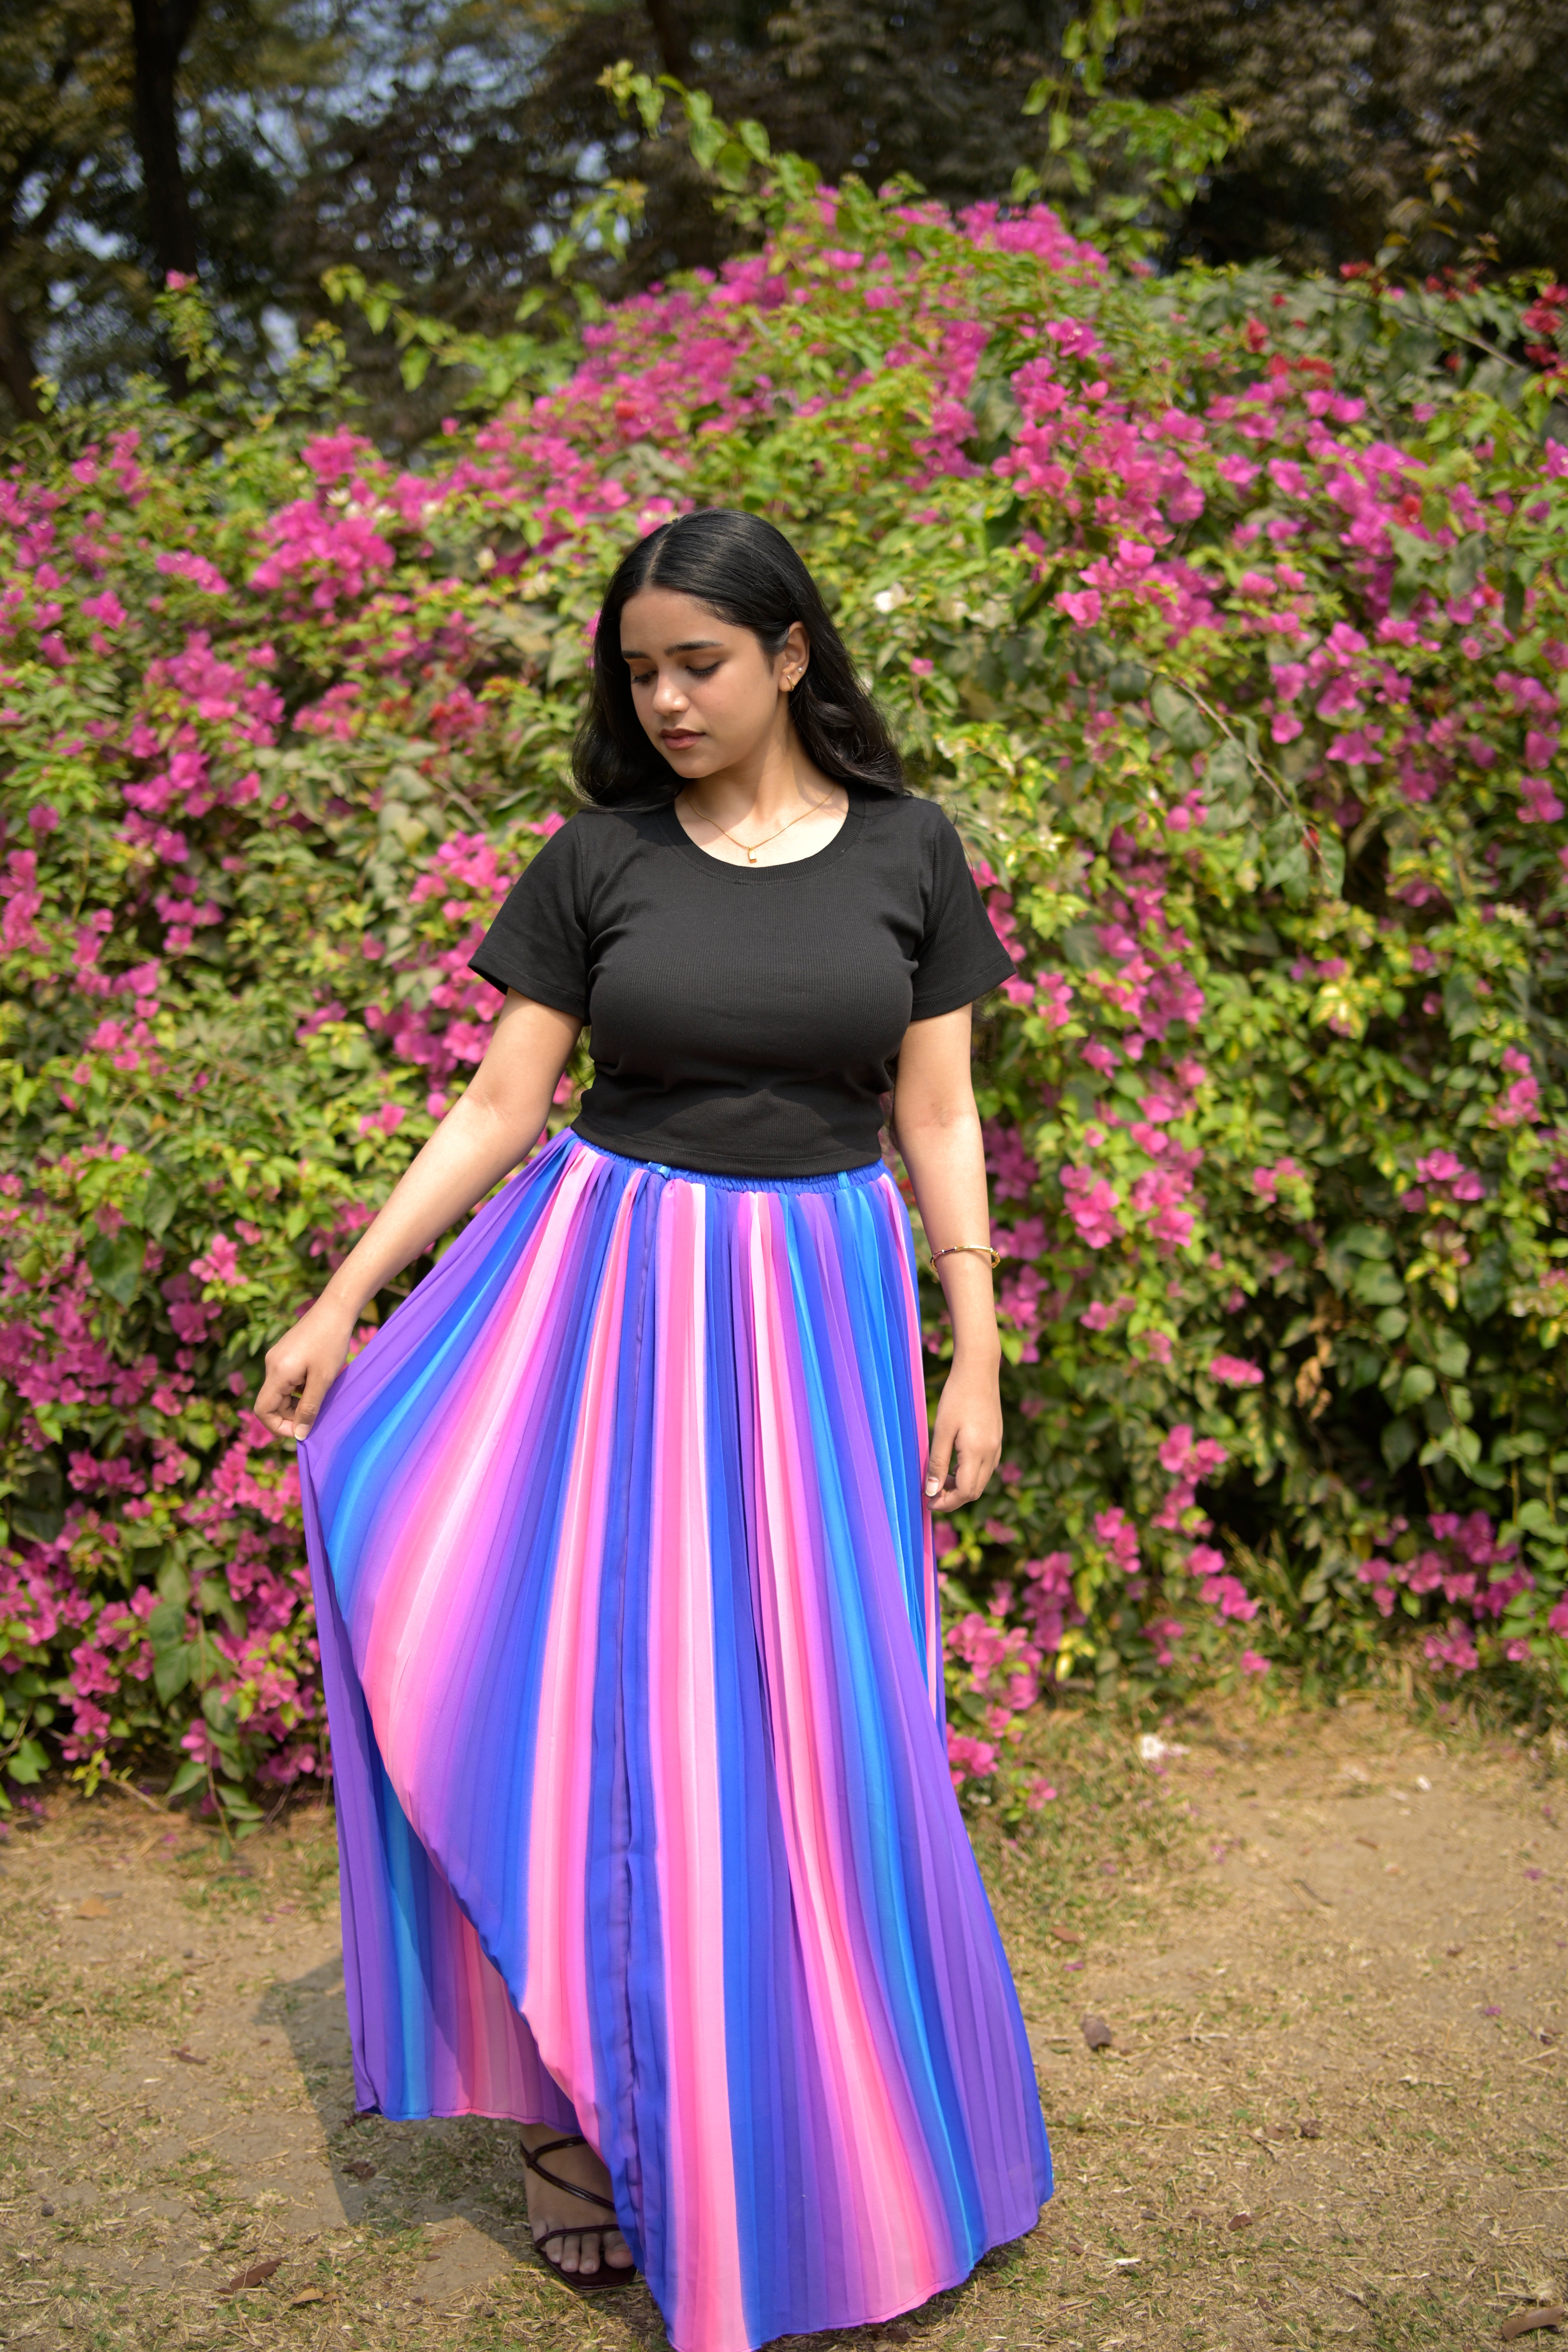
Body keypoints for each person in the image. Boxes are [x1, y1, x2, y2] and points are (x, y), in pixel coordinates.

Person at [256, 507, 1052, 2352]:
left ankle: (845, 2125)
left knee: (819, 1730)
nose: (668, 697)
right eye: (641, 670)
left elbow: (938, 1121)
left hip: (821, 1311)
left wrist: (978, 1347)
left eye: (700, 661)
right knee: (610, 1724)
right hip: (609, 1302)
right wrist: (342, 1295)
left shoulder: (912, 852)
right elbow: (502, 1102)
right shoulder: (600, 856)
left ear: (789, 657)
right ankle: (576, 2131)